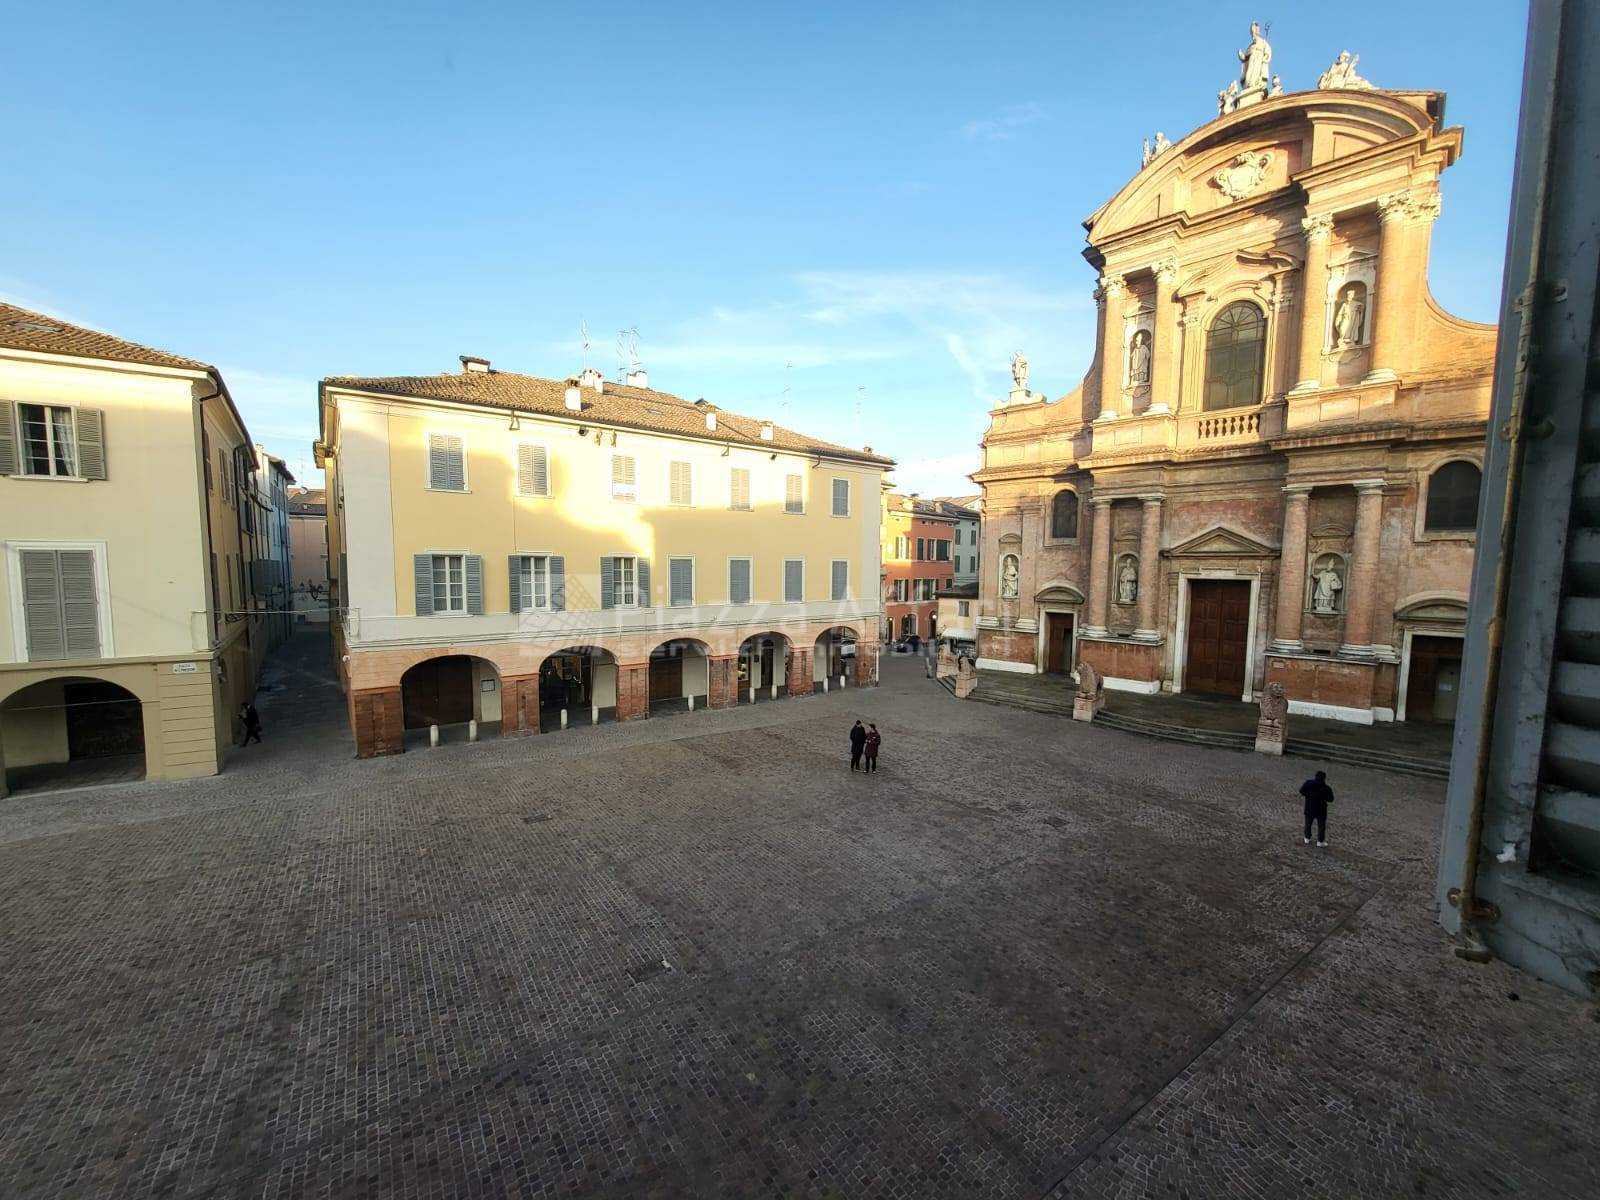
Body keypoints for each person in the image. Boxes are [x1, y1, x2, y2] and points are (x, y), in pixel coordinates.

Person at [1300, 770, 1333, 846]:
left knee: (1308, 823)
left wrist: (1308, 795)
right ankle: (1320, 841)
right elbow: (1331, 799)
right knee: (1321, 825)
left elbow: (1301, 791)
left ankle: (1307, 838)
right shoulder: (1326, 788)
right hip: (1321, 809)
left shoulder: (1308, 783)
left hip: (1309, 806)